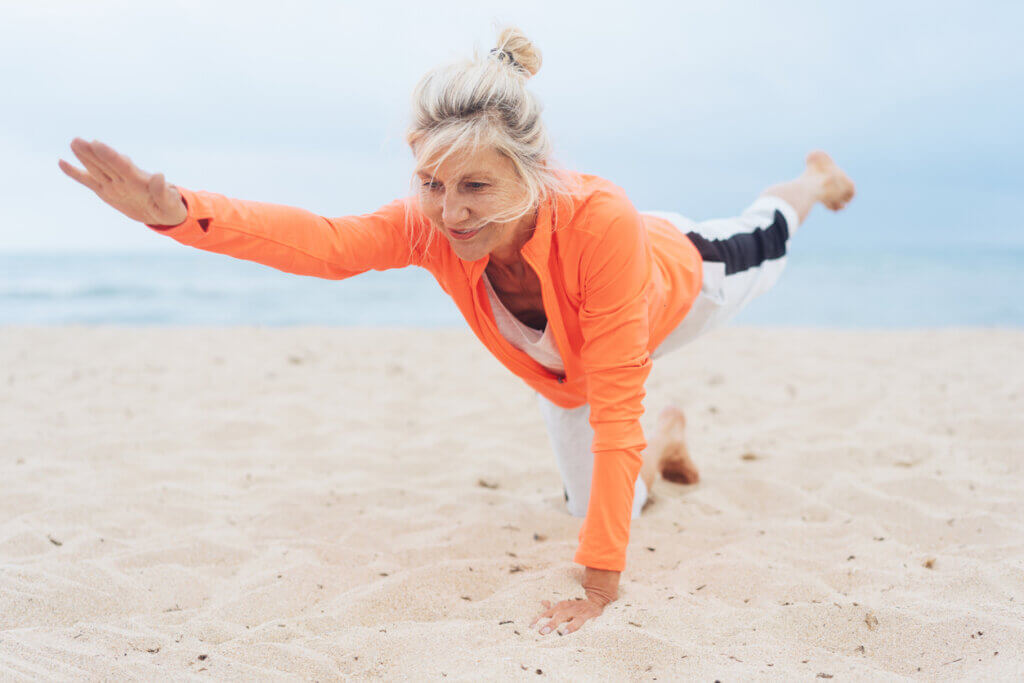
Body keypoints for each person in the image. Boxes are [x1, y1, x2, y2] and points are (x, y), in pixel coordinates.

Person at [58, 26, 855, 637]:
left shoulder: (598, 220)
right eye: (435, 184)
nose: (452, 210)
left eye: (477, 185)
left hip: (682, 280)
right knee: (606, 501)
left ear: (533, 168)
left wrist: (597, 587)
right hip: (575, 372)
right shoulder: (432, 226)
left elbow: (618, 401)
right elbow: (324, 242)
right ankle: (669, 437)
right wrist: (176, 212)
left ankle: (810, 179)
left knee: (770, 232)